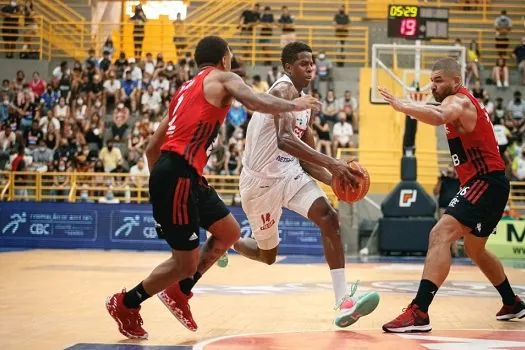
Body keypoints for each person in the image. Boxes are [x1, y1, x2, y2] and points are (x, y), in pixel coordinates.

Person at [105, 36, 322, 339]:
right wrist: (293, 103)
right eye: (230, 56)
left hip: (183, 176)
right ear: (223, 59)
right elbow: (255, 101)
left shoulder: (184, 91)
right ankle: (126, 303)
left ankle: (181, 291)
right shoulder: (223, 77)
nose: (232, 62)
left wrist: (161, 188)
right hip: (179, 174)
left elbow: (153, 147)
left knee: (230, 232)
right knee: (186, 261)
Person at [166, 42, 379, 332]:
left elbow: (307, 160)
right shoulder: (281, 92)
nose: (310, 68)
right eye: (303, 63)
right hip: (259, 183)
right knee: (268, 257)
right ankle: (231, 241)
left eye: (312, 63)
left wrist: (338, 183)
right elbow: (285, 140)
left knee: (329, 218)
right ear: (288, 67)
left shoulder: (306, 104)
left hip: (289, 174)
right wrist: (334, 163)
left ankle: (343, 301)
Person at [379, 57, 525, 333]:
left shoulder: (458, 101)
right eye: (431, 80)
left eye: (438, 80)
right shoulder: (456, 101)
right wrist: (415, 106)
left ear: (456, 81)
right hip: (487, 182)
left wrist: (403, 105)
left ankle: (419, 312)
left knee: (440, 234)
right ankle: (512, 302)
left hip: (486, 181)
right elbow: (436, 110)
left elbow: (438, 116)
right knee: (474, 249)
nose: (433, 85)